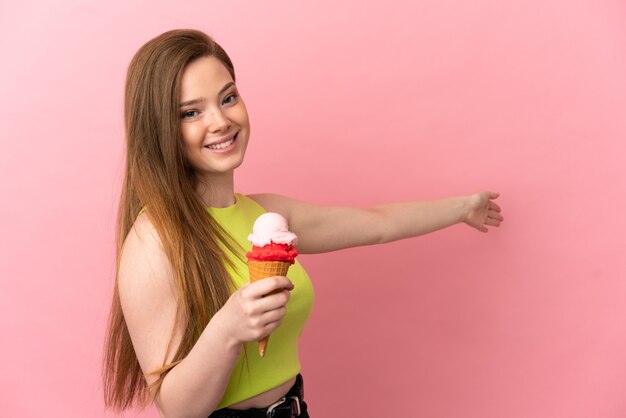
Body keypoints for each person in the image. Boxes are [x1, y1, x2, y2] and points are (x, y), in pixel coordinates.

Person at [102, 28, 503, 418]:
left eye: (228, 98)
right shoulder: (152, 241)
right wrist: (228, 328)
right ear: (159, 131)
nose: (221, 121)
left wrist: (464, 207)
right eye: (191, 112)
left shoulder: (267, 216)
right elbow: (177, 410)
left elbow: (377, 223)